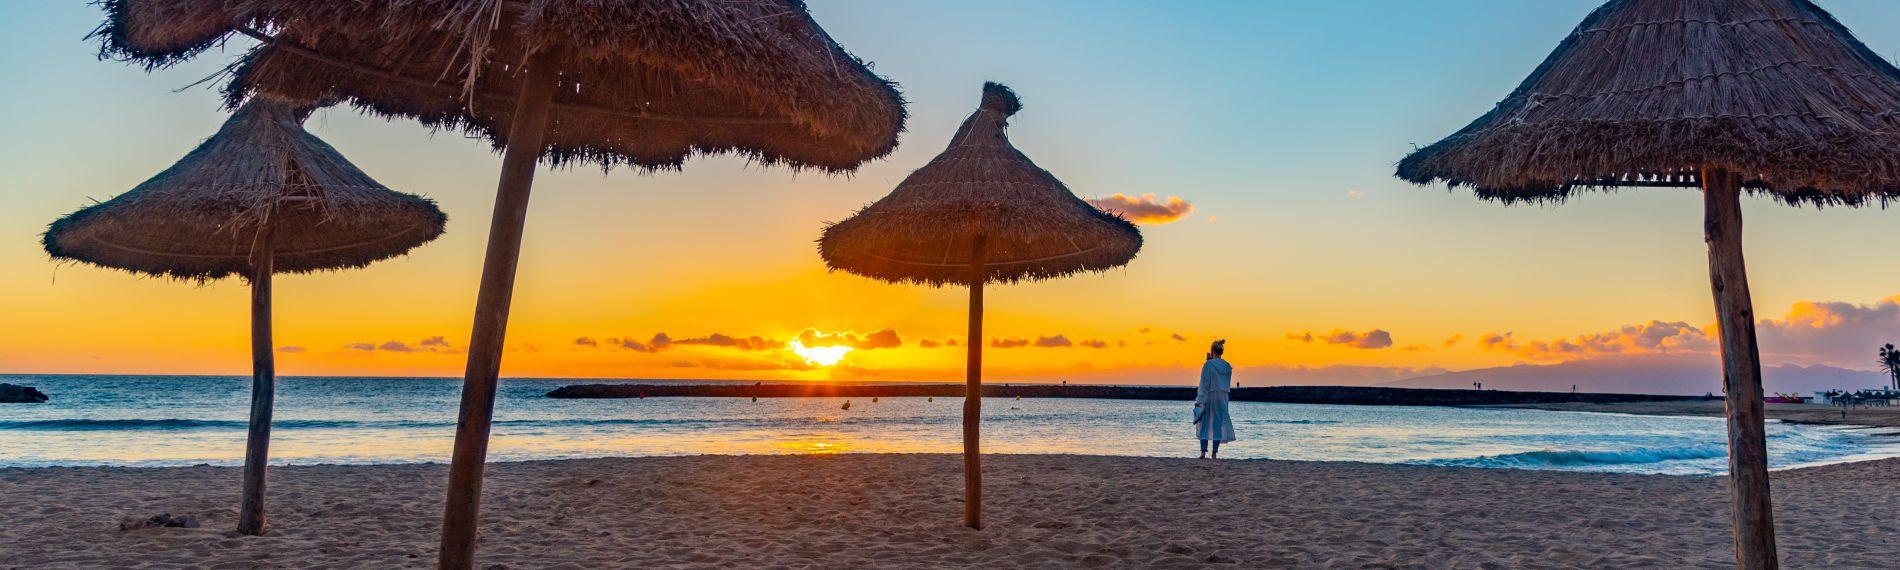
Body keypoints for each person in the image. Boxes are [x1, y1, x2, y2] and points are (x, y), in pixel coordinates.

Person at [1195, 339, 1236, 458]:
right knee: (1217, 423)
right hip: (1222, 396)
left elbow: (1204, 383)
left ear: (1212, 351)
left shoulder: (1208, 365)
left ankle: (1203, 452)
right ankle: (1214, 453)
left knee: (1204, 423)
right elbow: (1226, 384)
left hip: (1210, 395)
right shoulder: (1227, 366)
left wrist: (1200, 400)